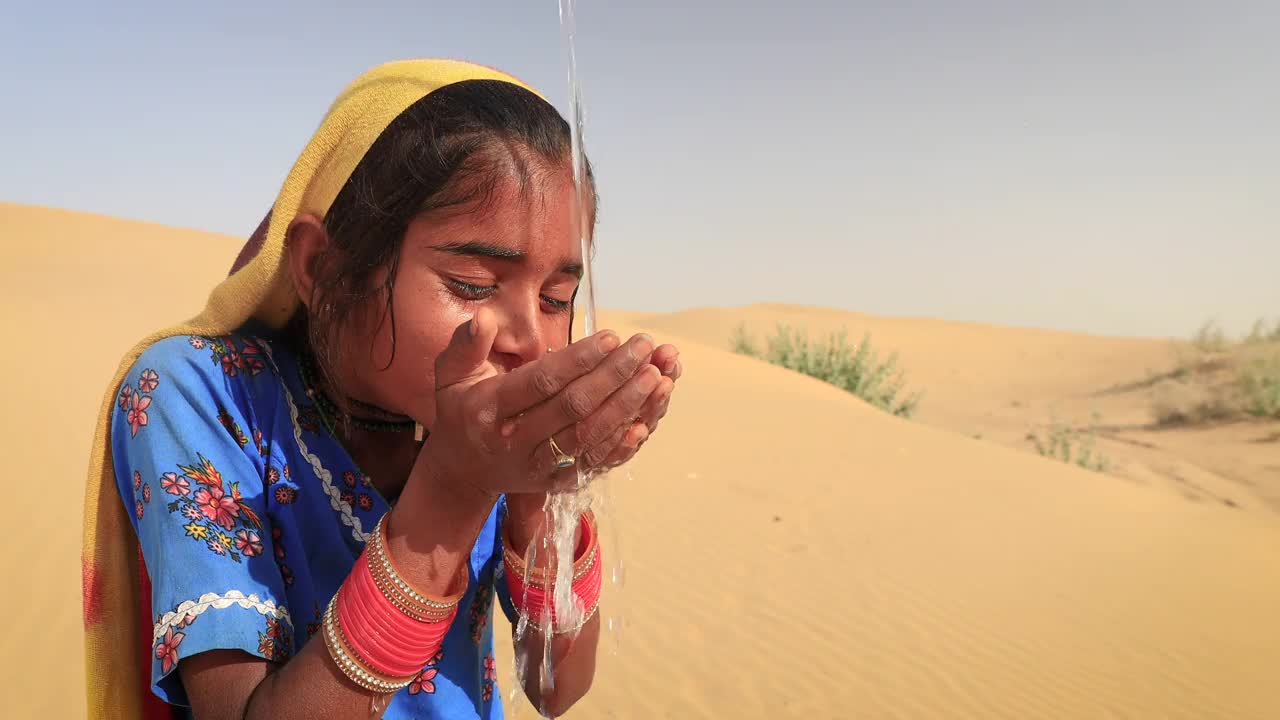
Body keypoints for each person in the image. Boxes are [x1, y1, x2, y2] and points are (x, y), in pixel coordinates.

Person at [80, 58, 682, 720]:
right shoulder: (202, 394)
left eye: (557, 297)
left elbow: (556, 690)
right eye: (475, 286)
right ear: (321, 265)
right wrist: (454, 488)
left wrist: (540, 488)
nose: (532, 341)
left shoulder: (483, 427)